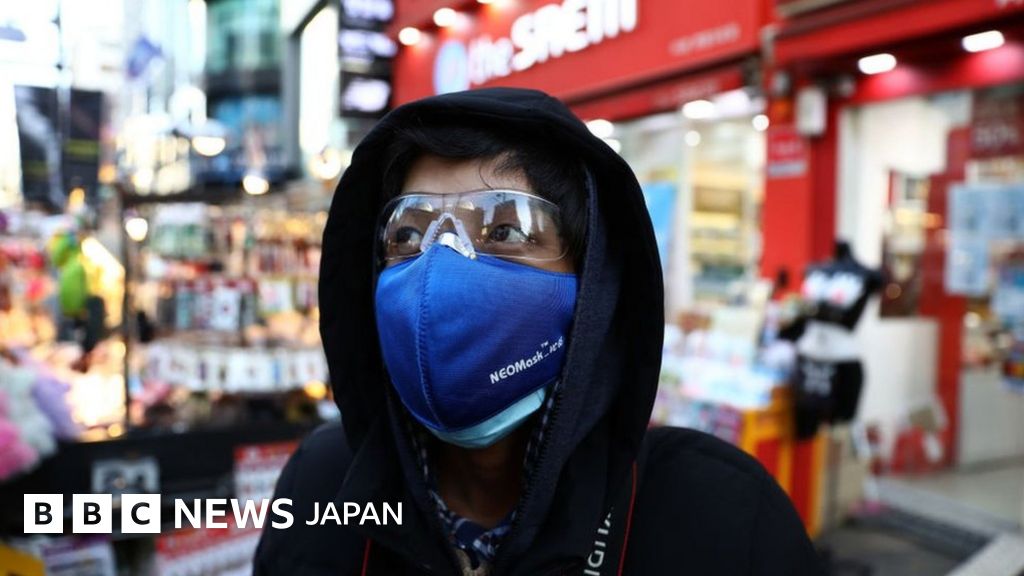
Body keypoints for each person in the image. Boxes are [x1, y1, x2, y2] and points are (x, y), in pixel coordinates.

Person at [255, 88, 822, 575]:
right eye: (407, 236)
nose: (438, 271)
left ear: (593, 282)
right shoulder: (321, 486)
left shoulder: (718, 519)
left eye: (505, 231)